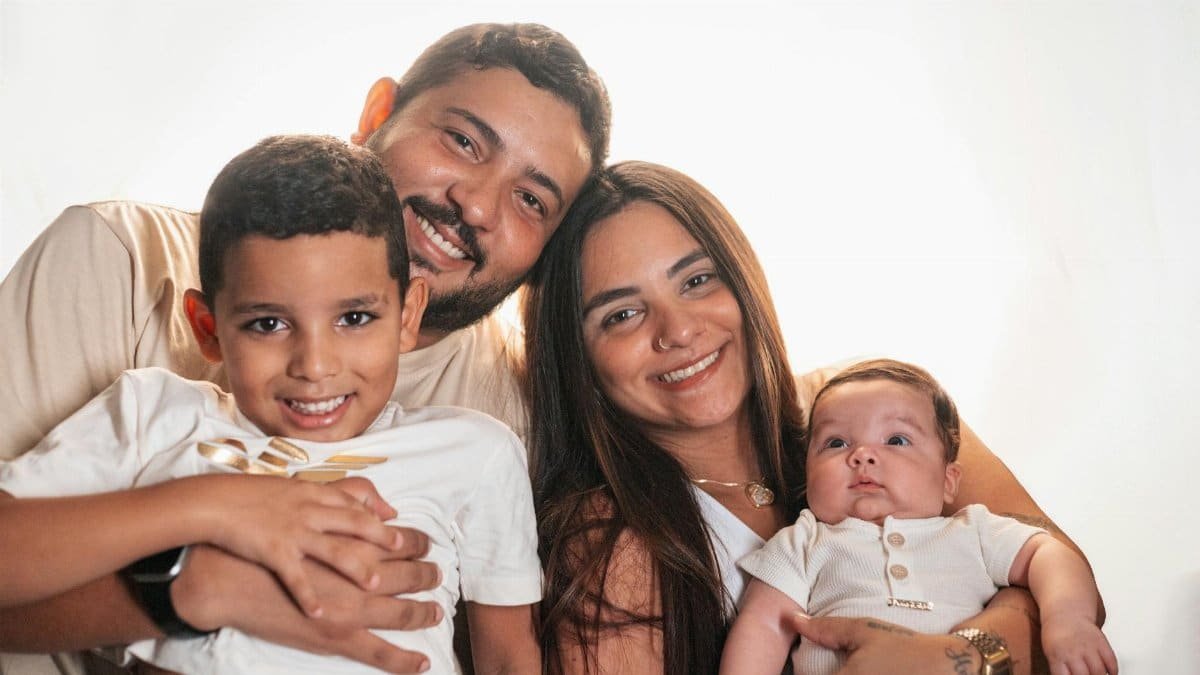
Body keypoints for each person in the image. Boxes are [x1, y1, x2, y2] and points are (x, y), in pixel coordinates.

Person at [0, 22, 609, 674]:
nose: (477, 205)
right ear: (379, 112)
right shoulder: (121, 265)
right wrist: (195, 585)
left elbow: (508, 647)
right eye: (462, 141)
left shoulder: (506, 424)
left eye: (530, 198)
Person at [524, 161, 1102, 675]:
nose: (677, 330)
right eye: (622, 314)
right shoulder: (607, 538)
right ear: (578, 360)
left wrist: (953, 659)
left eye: (698, 280)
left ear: (742, 279)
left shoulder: (874, 407)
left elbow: (1065, 578)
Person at [721, 359, 1117, 675]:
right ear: (807, 479)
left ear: (948, 481)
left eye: (896, 440)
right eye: (836, 442)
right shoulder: (805, 541)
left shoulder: (972, 530)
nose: (862, 455)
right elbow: (764, 626)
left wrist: (1067, 620)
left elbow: (1049, 555)